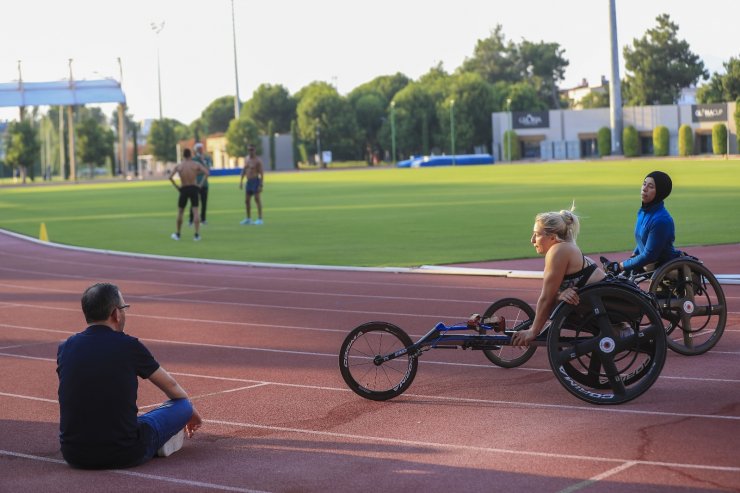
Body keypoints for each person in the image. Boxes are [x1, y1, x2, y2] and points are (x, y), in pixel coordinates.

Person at [57, 283, 202, 469]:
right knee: (182, 405)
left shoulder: (65, 347)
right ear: (116, 314)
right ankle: (158, 443)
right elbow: (172, 386)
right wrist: (189, 411)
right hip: (125, 452)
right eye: (124, 308)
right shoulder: (129, 346)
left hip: (74, 454)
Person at [512, 208, 606, 346]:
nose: (532, 240)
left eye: (537, 234)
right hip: (604, 304)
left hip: (607, 306)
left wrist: (533, 331)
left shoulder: (558, 250)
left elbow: (546, 298)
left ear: (552, 236)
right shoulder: (566, 247)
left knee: (551, 305)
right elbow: (552, 295)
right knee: (555, 302)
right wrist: (560, 294)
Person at [605, 171, 679, 274]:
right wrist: (632, 258)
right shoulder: (643, 212)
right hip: (648, 264)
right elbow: (642, 240)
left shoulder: (661, 220)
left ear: (660, 192)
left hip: (663, 268)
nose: (644, 189)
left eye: (651, 186)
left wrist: (621, 266)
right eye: (644, 184)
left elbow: (649, 256)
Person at [169, 148, 210, 241]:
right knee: (195, 211)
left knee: (180, 212)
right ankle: (196, 235)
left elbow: (170, 177)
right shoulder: (195, 165)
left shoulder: (180, 166)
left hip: (184, 188)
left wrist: (177, 187)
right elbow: (207, 172)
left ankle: (178, 234)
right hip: (194, 187)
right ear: (190, 155)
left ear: (183, 155)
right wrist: (200, 184)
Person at [238, 145, 264, 225]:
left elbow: (261, 173)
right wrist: (241, 181)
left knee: (257, 199)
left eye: (252, 149)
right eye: (249, 150)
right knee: (247, 201)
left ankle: (260, 219)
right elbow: (244, 169)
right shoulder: (246, 159)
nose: (250, 151)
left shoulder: (258, 160)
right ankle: (248, 218)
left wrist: (261, 185)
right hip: (248, 181)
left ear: (254, 150)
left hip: (255, 181)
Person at [188, 142, 212, 227]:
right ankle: (191, 220)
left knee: (204, 202)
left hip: (204, 184)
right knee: (194, 202)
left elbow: (208, 170)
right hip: (195, 183)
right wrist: (202, 170)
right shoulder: (193, 159)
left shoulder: (206, 158)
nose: (201, 150)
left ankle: (203, 219)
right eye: (199, 149)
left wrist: (202, 162)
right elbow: (194, 171)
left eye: (201, 148)